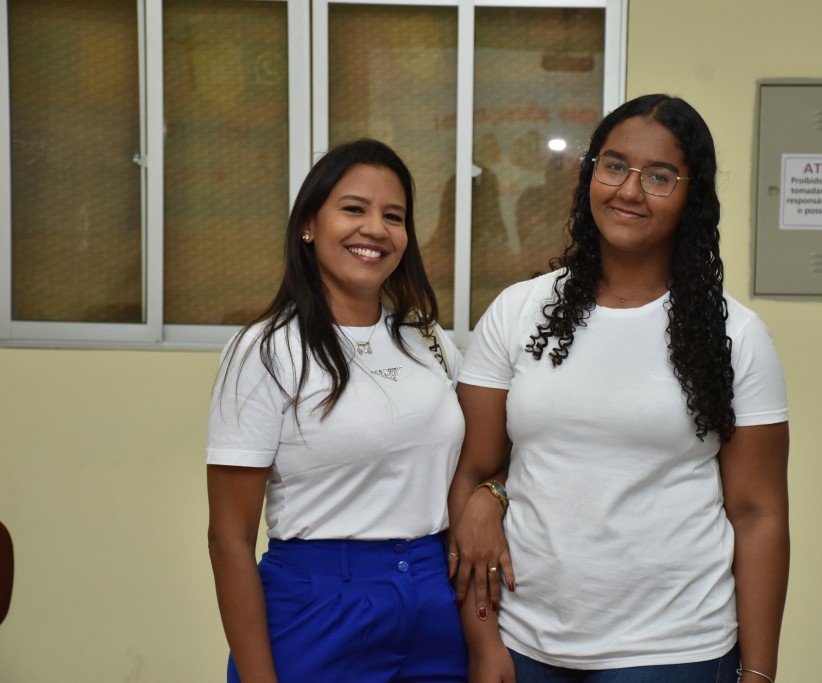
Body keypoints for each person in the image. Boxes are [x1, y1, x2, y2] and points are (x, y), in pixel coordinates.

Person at [447, 94, 790, 683]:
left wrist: (758, 673)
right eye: (614, 166)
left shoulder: (736, 334)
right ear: (590, 175)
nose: (629, 191)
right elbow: (473, 473)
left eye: (659, 176)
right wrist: (483, 640)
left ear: (692, 197)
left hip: (673, 648)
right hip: (523, 640)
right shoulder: (517, 311)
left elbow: (758, 514)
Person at [206, 139, 468, 682]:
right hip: (318, 606)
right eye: (354, 209)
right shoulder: (264, 350)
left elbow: (476, 466)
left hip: (433, 599)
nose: (375, 229)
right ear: (309, 224)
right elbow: (228, 538)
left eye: (393, 216)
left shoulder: (428, 340)